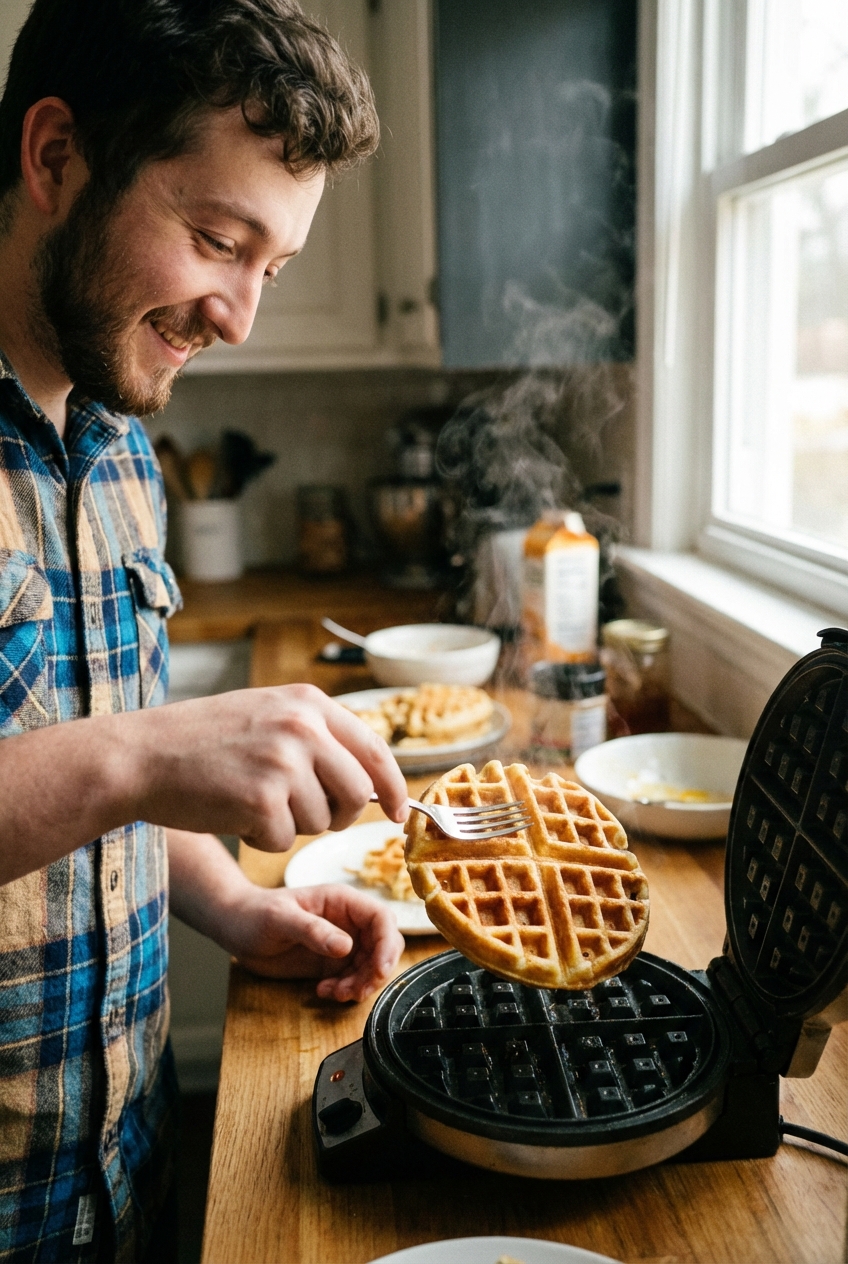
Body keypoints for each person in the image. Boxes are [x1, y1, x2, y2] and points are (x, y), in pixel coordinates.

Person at [0, 1, 409, 1259]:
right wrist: (147, 755)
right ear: (57, 155)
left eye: (270, 268)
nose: (238, 317)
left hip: (125, 1178)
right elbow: (119, 761)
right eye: (216, 240)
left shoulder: (124, 436)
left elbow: (79, 788)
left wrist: (231, 901)